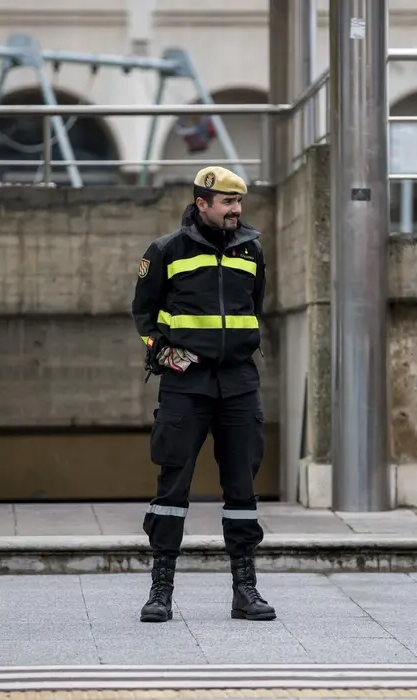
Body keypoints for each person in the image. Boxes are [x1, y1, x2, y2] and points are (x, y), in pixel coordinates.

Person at [130, 165, 276, 624]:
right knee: (172, 487)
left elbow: (256, 306)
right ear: (202, 204)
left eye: (239, 203)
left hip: (239, 383)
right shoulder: (166, 251)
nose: (236, 211)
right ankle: (161, 591)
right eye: (227, 203)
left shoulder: (251, 251)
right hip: (186, 384)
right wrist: (158, 350)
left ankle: (245, 591)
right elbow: (143, 311)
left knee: (242, 489)